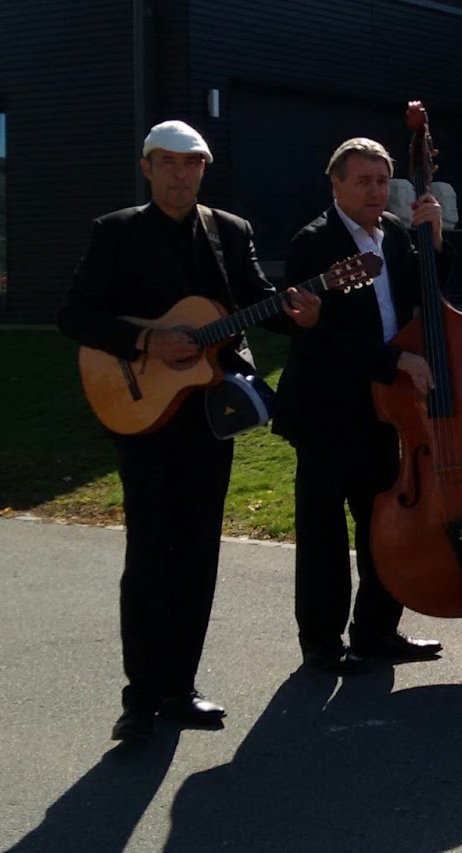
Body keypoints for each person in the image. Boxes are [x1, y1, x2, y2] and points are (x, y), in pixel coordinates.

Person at [57, 120, 321, 740]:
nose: (181, 175)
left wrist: (301, 315)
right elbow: (74, 315)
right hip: (142, 416)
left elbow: (258, 300)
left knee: (199, 551)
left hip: (207, 418)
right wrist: (148, 341)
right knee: (150, 553)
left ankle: (180, 687)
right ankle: (139, 696)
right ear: (147, 168)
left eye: (192, 164)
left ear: (204, 169)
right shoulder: (116, 231)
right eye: (169, 163)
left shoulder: (230, 231)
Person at [271, 137, 449, 672]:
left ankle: (376, 631)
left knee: (384, 526)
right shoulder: (312, 243)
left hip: (382, 407)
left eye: (381, 181)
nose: (375, 191)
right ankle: (322, 644)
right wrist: (393, 362)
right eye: (363, 181)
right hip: (326, 408)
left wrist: (435, 241)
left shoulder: (394, 232)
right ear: (337, 184)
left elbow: (429, 296)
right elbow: (319, 338)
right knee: (323, 534)